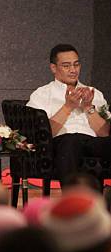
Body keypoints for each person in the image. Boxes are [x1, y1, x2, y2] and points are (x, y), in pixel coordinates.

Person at [27, 43, 110, 181]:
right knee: (71, 141)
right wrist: (67, 107)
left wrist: (88, 107)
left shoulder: (94, 93)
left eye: (76, 65)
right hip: (61, 144)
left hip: (92, 143)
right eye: (66, 66)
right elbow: (39, 135)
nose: (73, 70)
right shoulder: (42, 94)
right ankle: (73, 200)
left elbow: (104, 134)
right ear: (53, 68)